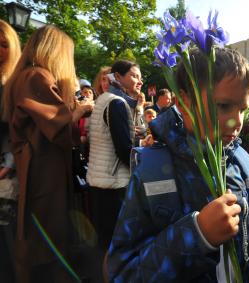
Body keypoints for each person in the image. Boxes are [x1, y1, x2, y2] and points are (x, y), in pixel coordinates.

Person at [107, 47, 249, 282]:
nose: (237, 122)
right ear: (183, 102)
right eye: (223, 106)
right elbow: (122, 273)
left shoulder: (244, 163)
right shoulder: (152, 172)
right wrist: (196, 234)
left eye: (243, 109)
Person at [3, 25, 93, 283]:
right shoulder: (35, 76)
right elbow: (57, 123)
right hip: (42, 169)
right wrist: (81, 110)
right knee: (45, 238)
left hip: (39, 166)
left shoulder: (25, 75)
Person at [86, 59, 142, 252]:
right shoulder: (116, 103)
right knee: (114, 243)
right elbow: (123, 148)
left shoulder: (104, 99)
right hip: (112, 183)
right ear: (118, 77)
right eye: (134, 75)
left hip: (99, 180)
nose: (138, 81)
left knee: (105, 241)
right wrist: (140, 165)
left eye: (140, 77)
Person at [0, 19, 21, 283]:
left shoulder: (13, 85)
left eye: (5, 45)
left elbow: (17, 133)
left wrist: (7, 165)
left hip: (5, 178)